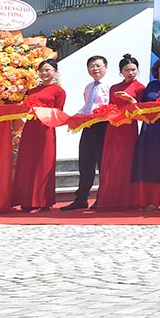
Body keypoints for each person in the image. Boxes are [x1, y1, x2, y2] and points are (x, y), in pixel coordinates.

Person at [12, 59, 66, 212]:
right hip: (30, 128)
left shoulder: (59, 91)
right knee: (27, 163)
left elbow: (59, 112)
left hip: (46, 129)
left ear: (55, 72)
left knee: (43, 164)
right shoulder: (32, 90)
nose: (44, 73)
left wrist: (43, 113)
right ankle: (26, 200)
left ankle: (41, 201)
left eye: (48, 70)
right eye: (42, 70)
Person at [61, 55, 112, 210]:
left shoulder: (110, 86)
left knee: (103, 164)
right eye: (91, 66)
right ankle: (81, 198)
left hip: (103, 126)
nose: (94, 69)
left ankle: (102, 198)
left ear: (106, 67)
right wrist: (74, 118)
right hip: (88, 126)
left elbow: (109, 107)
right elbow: (86, 107)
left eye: (98, 65)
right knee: (85, 162)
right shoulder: (89, 86)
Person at [95, 54, 145, 210]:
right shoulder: (114, 88)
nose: (131, 73)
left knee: (127, 161)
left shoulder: (140, 87)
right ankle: (110, 199)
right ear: (120, 71)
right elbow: (111, 106)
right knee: (111, 162)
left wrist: (132, 101)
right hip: (113, 127)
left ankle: (128, 199)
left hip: (129, 127)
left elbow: (143, 109)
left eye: (133, 69)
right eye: (127, 70)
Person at [132, 58, 160, 211]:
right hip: (149, 128)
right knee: (146, 160)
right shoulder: (150, 85)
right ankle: (144, 200)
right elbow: (142, 106)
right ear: (157, 70)